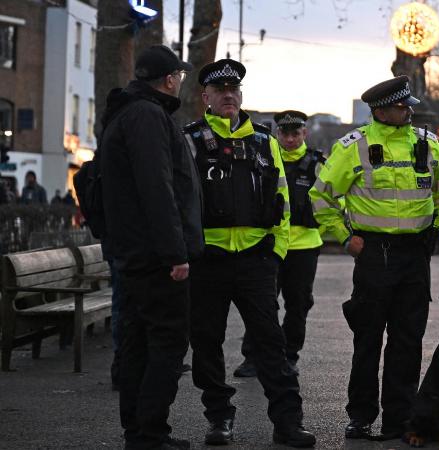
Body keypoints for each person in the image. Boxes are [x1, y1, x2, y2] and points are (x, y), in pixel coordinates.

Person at [309, 75, 439, 440]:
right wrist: (346, 238)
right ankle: (360, 416)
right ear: (380, 110)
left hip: (414, 256)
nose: (408, 111)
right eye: (401, 106)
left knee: (408, 341)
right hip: (374, 255)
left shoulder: (428, 144)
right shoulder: (354, 146)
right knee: (368, 339)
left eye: (409, 106)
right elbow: (321, 196)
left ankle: (400, 418)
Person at [183, 59, 315, 448]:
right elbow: (180, 201)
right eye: (220, 90)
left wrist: (276, 252)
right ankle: (219, 417)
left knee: (270, 345)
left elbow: (283, 202)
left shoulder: (263, 140)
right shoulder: (190, 139)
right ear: (205, 96)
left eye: (234, 90)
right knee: (207, 344)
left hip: (256, 260)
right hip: (208, 261)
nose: (228, 95)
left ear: (241, 95)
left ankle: (288, 422)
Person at [99, 44, 202, 450]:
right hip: (155, 257)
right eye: (179, 75)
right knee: (167, 341)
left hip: (136, 252)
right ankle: (150, 432)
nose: (180, 81)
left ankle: (139, 432)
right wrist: (175, 253)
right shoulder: (147, 115)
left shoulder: (128, 111)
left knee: (140, 341)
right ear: (170, 79)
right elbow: (157, 189)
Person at [233, 110, 324, 379]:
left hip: (305, 246)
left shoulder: (318, 163)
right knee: (261, 302)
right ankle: (252, 357)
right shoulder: (266, 159)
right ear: (277, 134)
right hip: (269, 242)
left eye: (296, 133)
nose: (290, 138)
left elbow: (333, 199)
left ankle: (289, 356)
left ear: (304, 133)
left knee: (298, 304)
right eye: (284, 133)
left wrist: (325, 224)